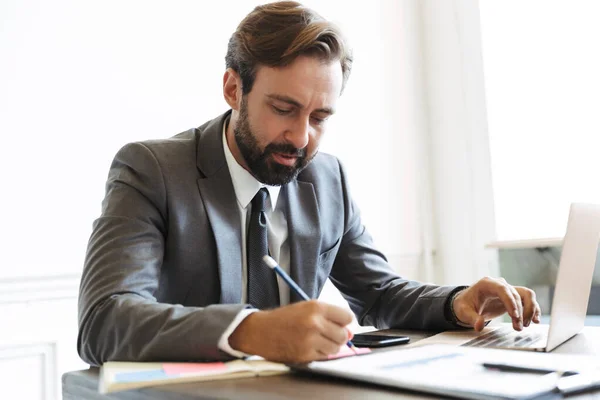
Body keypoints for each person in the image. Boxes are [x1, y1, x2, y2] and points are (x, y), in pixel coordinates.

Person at [77, 1, 541, 366]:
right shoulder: (151, 170)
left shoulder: (327, 176)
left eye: (319, 117)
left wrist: (458, 301)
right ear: (233, 89)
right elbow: (103, 320)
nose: (301, 137)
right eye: (283, 109)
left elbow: (378, 293)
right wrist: (250, 331)